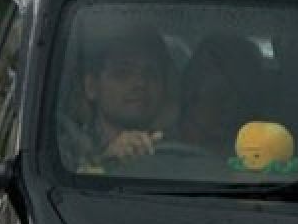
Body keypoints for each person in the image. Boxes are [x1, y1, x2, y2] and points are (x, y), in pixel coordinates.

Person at [59, 22, 172, 170]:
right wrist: (105, 162)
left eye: (151, 73)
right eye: (123, 73)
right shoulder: (63, 152)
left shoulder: (181, 151)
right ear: (92, 87)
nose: (140, 83)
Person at [174, 34, 265, 155]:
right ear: (191, 93)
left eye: (243, 99)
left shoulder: (257, 156)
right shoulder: (149, 142)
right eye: (221, 97)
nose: (232, 108)